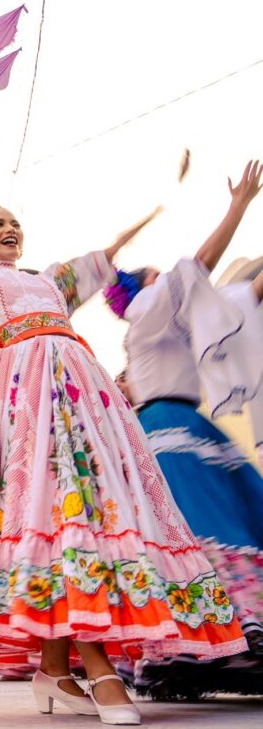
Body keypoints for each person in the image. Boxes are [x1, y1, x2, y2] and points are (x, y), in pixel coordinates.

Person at [0, 127, 247, 725]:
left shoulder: (51, 280)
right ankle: (93, 671)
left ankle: (56, 670)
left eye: (14, 223)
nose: (10, 229)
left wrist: (163, 200)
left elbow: (109, 251)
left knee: (87, 514)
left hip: (81, 399)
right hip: (25, 402)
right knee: (56, 511)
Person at [107, 160, 263, 699]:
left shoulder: (169, 320)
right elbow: (199, 266)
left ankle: (209, 644)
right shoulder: (152, 306)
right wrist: (238, 207)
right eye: (159, 275)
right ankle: (215, 638)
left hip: (184, 428)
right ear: (146, 287)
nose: (170, 279)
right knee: (205, 525)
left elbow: (241, 298)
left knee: (217, 524)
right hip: (171, 430)